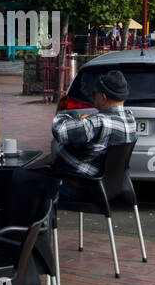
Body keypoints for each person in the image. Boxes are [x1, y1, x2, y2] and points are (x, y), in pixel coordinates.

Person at [49, 70, 137, 200]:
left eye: (94, 93)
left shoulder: (99, 122)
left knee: (26, 183)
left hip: (78, 186)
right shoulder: (131, 120)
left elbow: (60, 130)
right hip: (106, 186)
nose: (92, 97)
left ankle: (39, 219)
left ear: (103, 97)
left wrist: (74, 117)